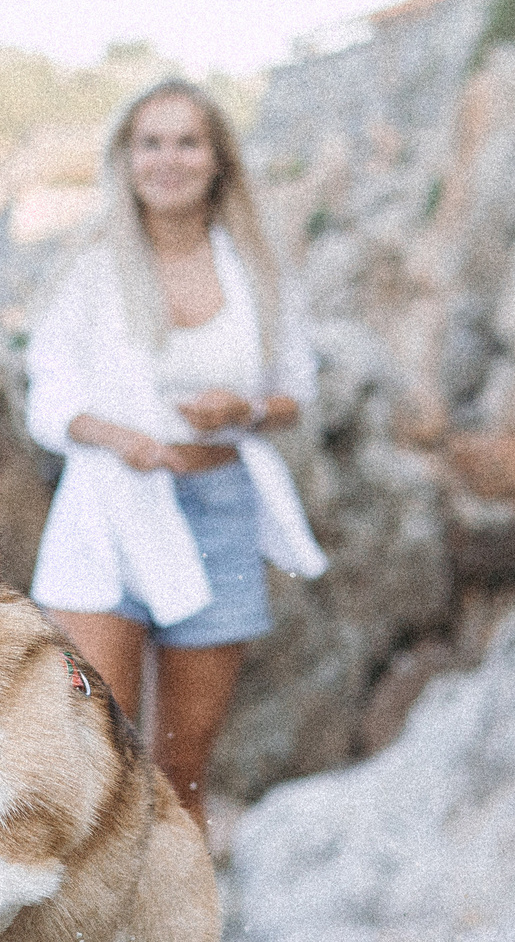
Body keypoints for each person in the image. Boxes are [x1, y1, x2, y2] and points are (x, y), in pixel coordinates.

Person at [24, 77, 326, 834]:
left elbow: (297, 390)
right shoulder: (92, 267)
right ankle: (96, 914)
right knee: (97, 760)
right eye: (149, 143)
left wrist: (243, 411)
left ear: (217, 158)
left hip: (221, 509)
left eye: (187, 142)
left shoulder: (257, 266)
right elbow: (47, 398)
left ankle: (179, 911)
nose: (168, 159)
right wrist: (119, 438)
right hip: (108, 516)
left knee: (182, 771)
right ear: (126, 160)